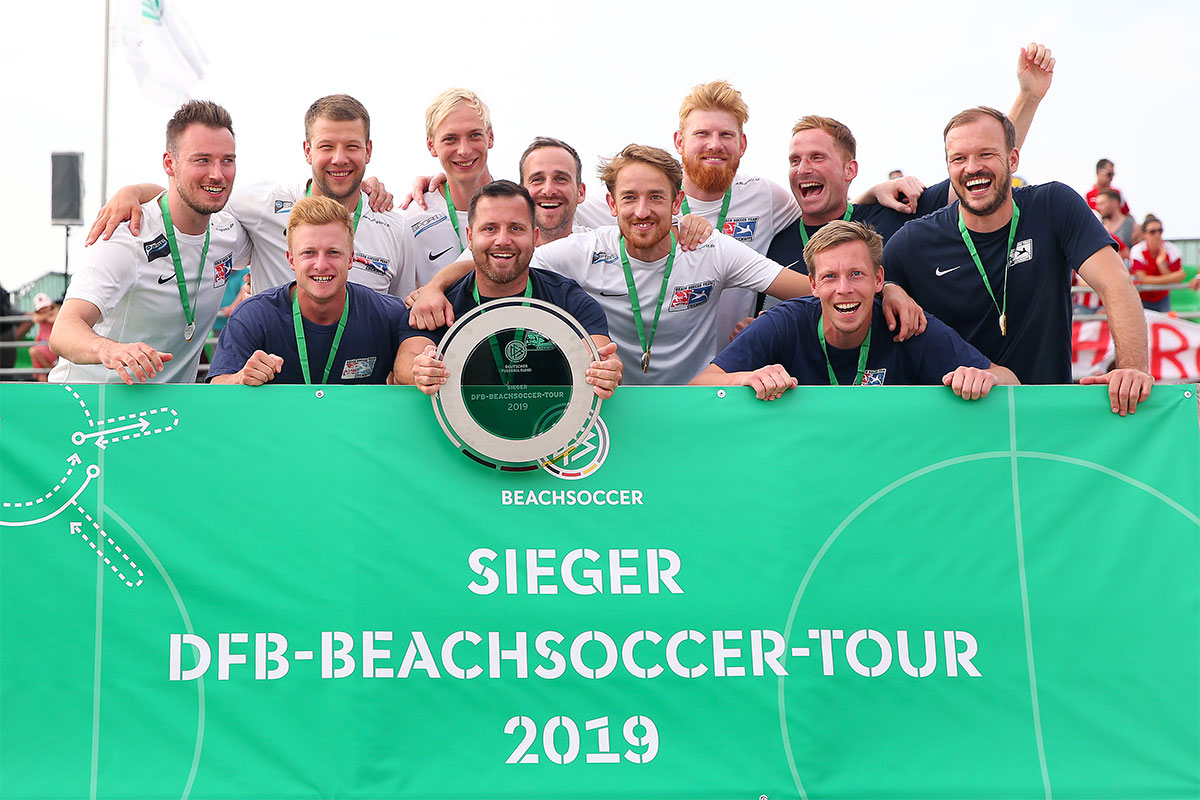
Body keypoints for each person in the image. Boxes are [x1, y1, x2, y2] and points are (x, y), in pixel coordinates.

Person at [882, 106, 1152, 415]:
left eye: (986, 154)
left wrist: (1132, 368)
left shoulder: (1053, 206)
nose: (972, 167)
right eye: (959, 158)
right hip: (955, 424)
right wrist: (889, 286)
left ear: (1012, 159)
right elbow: (858, 283)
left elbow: (1115, 282)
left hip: (1047, 418)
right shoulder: (913, 241)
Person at [521, 144, 822, 386]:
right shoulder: (585, 251)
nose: (642, 211)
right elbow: (496, 268)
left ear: (677, 202)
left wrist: (768, 326)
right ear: (611, 205)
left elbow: (814, 293)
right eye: (629, 198)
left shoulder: (711, 248)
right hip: (615, 410)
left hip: (693, 407)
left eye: (655, 197)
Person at [767, 43, 1056, 277]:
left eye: (817, 158)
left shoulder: (894, 213)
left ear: (849, 170)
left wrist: (1028, 98)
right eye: (794, 160)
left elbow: (977, 174)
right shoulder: (776, 244)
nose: (803, 169)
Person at [87, 95, 415, 298]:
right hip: (272, 388)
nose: (339, 158)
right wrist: (132, 191)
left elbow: (400, 315)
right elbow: (197, 197)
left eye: (352, 147)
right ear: (307, 151)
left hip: (359, 397)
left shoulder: (395, 227)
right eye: (327, 146)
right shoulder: (265, 204)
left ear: (368, 151)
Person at [691, 221, 1017, 399]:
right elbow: (700, 384)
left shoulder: (906, 324)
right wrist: (745, 378)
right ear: (814, 285)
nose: (844, 288)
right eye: (830, 276)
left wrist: (979, 377)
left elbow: (1010, 380)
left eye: (856, 274)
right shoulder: (785, 323)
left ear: (879, 279)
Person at [50, 100, 250, 385]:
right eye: (202, 160)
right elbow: (64, 330)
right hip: (88, 408)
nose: (217, 174)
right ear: (170, 163)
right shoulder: (124, 236)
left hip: (167, 415)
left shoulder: (228, 231)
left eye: (227, 160)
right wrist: (110, 350)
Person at [397, 181, 621, 399]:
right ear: (470, 237)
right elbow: (406, 361)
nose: (502, 240)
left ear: (534, 237)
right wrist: (421, 370)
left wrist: (604, 371)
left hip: (550, 430)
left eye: (516, 228)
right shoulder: (438, 304)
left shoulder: (569, 300)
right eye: (490, 228)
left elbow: (599, 354)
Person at [209, 196, 409, 385]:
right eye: (309, 253)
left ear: (350, 258)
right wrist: (240, 378)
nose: (321, 265)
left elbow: (414, 370)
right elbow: (217, 388)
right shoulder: (253, 316)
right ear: (291, 259)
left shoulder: (389, 314)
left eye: (333, 252)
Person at [671, 80, 802, 341]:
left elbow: (823, 212)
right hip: (662, 376)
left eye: (726, 135)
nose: (715, 144)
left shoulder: (765, 196)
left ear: (742, 143)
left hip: (736, 370)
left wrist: (875, 193)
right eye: (702, 134)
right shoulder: (651, 203)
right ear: (679, 141)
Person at [404, 89, 498, 279]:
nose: (464, 150)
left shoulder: (523, 210)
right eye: (450, 139)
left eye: (474, 135)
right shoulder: (411, 219)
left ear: (490, 137)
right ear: (431, 145)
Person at [1129, 215, 1184, 312]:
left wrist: (1161, 265)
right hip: (1141, 297)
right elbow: (1141, 278)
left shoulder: (1172, 250)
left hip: (1162, 297)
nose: (1157, 235)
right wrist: (1171, 277)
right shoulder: (1137, 250)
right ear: (1144, 234)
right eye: (1152, 232)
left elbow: (1177, 281)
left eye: (1160, 230)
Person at [1096, 188, 1140, 261]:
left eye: (1102, 204)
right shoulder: (1098, 227)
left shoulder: (1133, 226)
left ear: (1115, 203)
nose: (1098, 208)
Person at [27, 293, 59, 381]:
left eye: (45, 307)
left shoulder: (58, 312)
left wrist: (45, 317)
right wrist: (47, 315)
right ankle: (50, 372)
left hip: (53, 346)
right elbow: (35, 318)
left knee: (33, 351)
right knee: (40, 371)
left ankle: (51, 370)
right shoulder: (46, 314)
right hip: (43, 346)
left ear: (51, 305)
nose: (44, 310)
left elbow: (53, 318)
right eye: (41, 309)